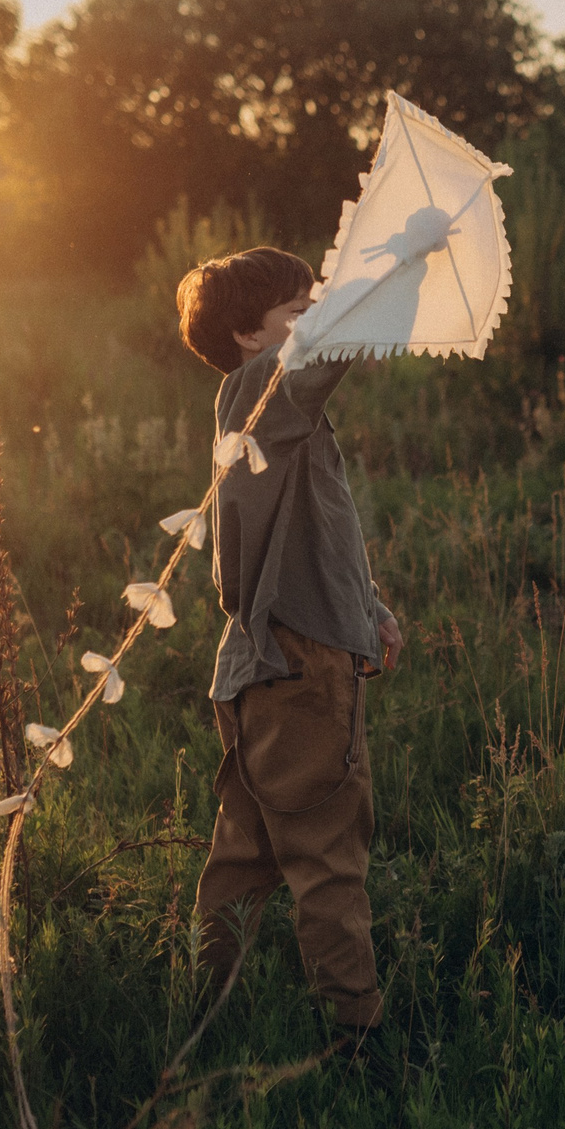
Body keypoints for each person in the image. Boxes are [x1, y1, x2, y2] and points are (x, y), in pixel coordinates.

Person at [174, 247, 405, 1054]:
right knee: (329, 858)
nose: (313, 324)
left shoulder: (263, 414)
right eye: (296, 314)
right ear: (247, 336)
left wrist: (367, 606)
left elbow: (305, 538)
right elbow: (327, 352)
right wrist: (397, 260)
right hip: (301, 673)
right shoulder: (261, 391)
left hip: (258, 668)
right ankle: (359, 1041)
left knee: (243, 856)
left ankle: (206, 1012)